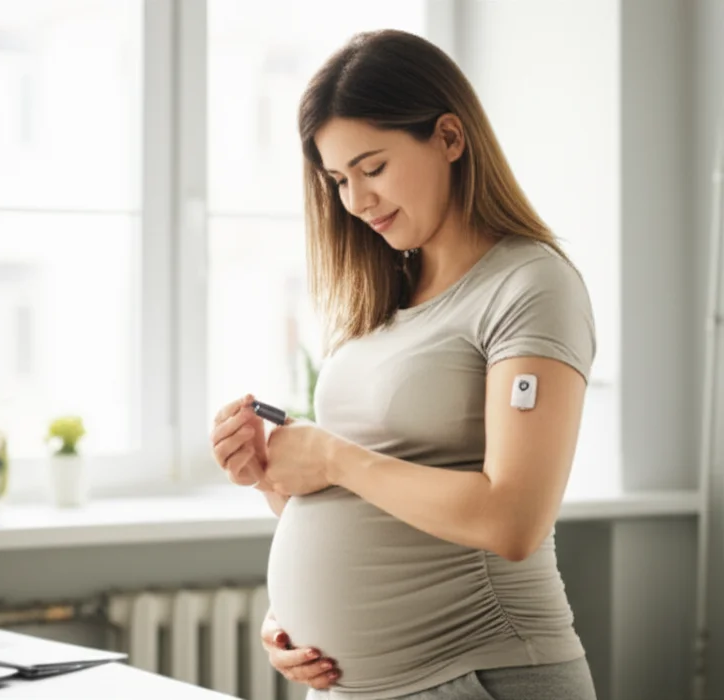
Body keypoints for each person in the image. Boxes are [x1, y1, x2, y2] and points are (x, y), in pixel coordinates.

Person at [210, 29, 599, 700]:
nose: (355, 201)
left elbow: (512, 520)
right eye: (337, 180)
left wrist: (330, 458)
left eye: (373, 167)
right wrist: (276, 484)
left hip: (480, 676)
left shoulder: (530, 287)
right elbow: (382, 501)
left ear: (449, 138)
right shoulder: (380, 301)